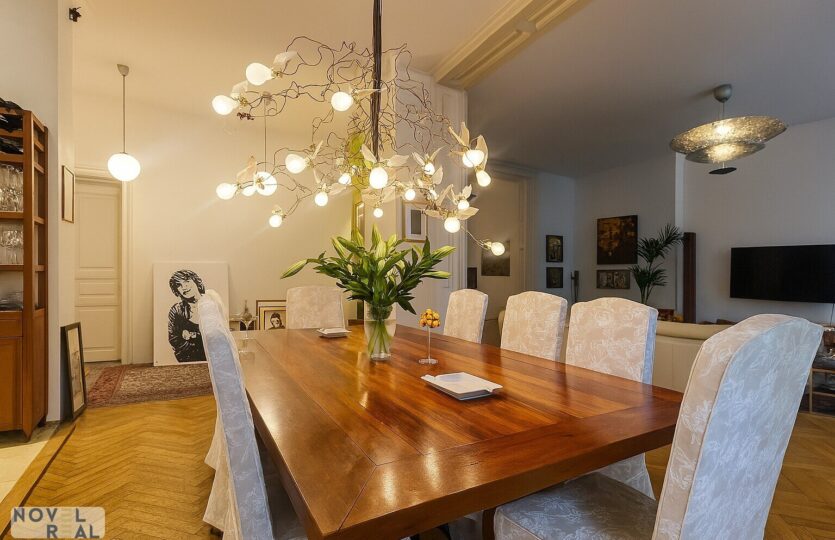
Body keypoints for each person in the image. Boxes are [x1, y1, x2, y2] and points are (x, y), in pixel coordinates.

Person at [167, 269, 206, 362]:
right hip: (188, 359)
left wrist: (192, 336)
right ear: (176, 290)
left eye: (187, 281)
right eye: (179, 285)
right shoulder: (176, 310)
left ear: (196, 281)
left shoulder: (211, 303)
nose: (184, 287)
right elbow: (174, 339)